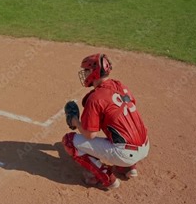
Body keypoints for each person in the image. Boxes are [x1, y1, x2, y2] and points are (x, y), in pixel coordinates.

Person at [62, 53, 149, 189]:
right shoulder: (119, 85)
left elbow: (90, 135)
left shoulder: (95, 98)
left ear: (94, 71)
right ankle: (128, 168)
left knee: (69, 141)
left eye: (86, 70)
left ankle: (106, 178)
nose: (84, 74)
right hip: (145, 146)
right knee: (120, 126)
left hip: (124, 153)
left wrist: (74, 121)